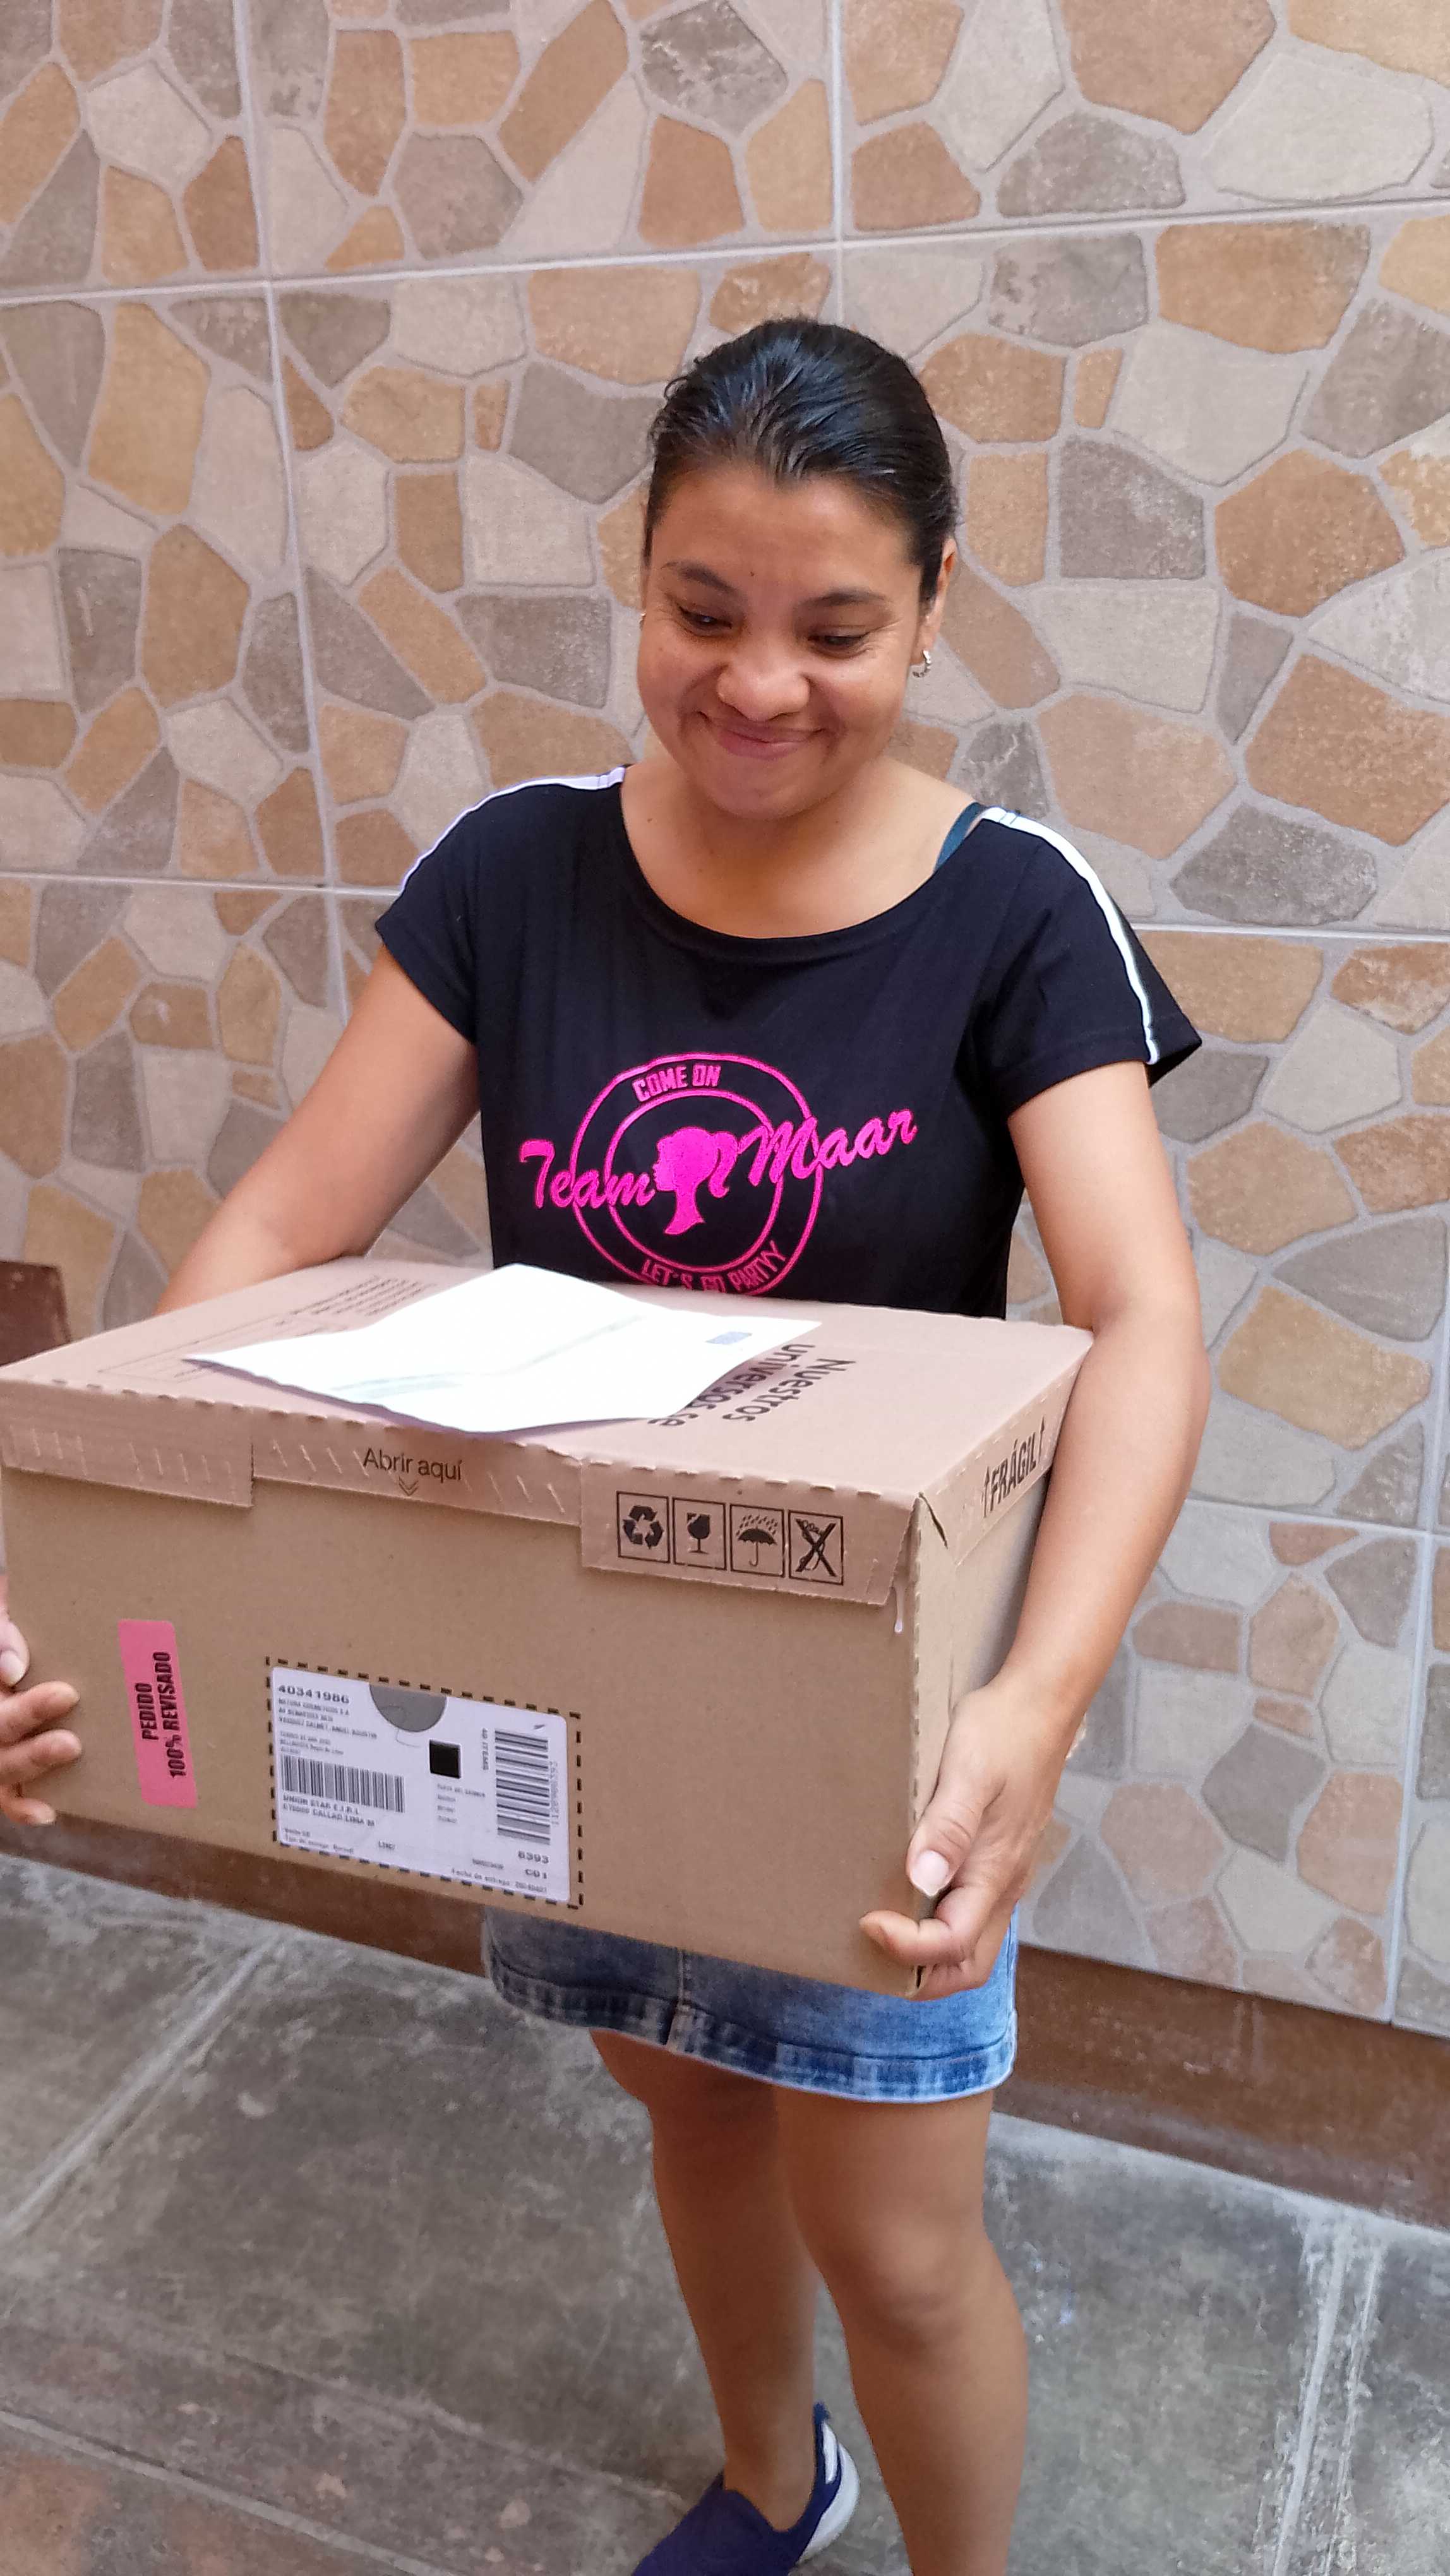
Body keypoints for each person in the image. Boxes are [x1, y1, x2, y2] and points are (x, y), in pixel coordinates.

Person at [0, 320, 1209, 2575]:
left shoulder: (1012, 910)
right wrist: (92, 1568)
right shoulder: (516, 875)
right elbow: (282, 1232)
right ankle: (773, 2484)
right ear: (637, 576)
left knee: (902, 2242)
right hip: (583, 1677)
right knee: (685, 2102)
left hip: (874, 1717)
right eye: (701, 610)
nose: (757, 684)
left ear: (934, 609)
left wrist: (1036, 1707)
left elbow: (1138, 1320)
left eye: (835, 630)